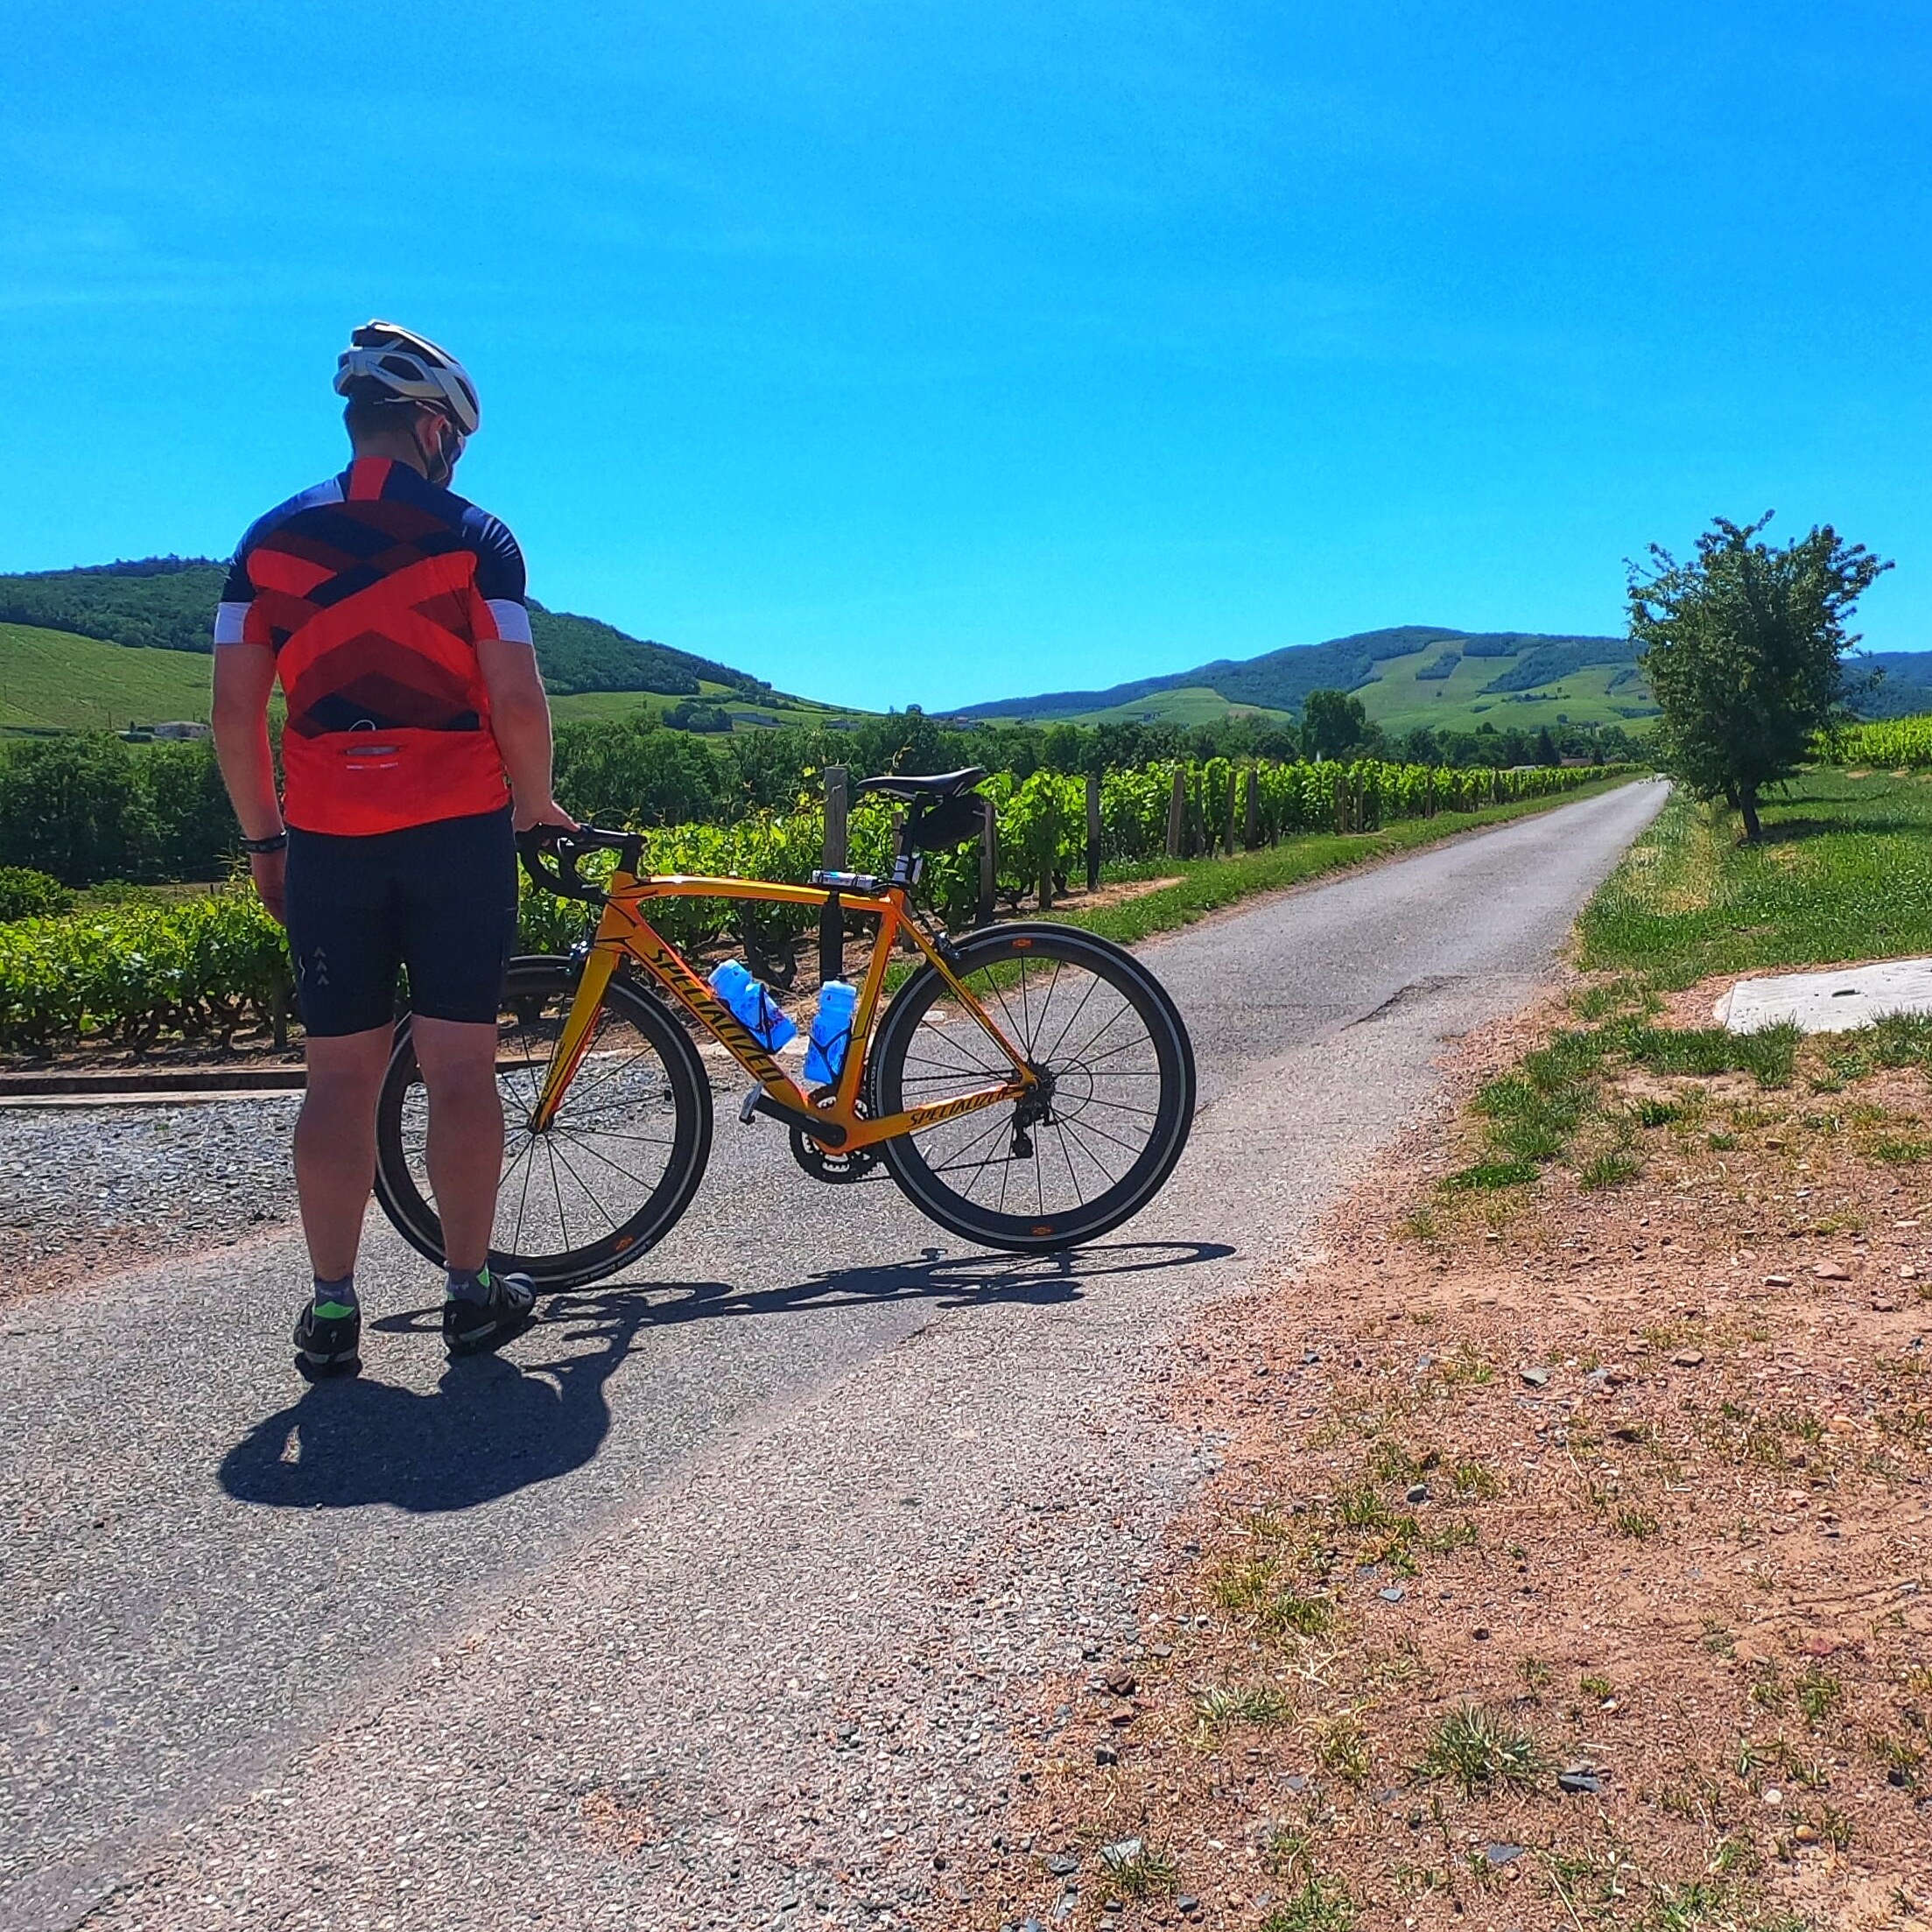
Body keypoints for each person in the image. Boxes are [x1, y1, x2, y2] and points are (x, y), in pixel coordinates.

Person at [212, 320, 574, 1373]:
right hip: (457, 827)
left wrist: (264, 840)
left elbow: (234, 714)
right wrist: (534, 802)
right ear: (431, 428)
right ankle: (469, 1294)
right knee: (460, 1065)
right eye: (455, 436)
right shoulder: (478, 537)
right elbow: (516, 695)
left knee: (339, 1077)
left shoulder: (264, 543)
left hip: (329, 835)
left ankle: (332, 1311)